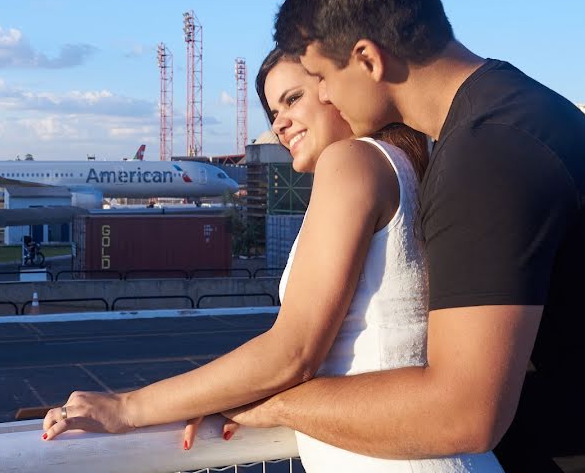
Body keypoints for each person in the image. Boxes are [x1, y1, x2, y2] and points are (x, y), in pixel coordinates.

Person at [41, 47, 503, 471]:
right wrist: (235, 394)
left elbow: (292, 352)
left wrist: (127, 407)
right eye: (274, 110)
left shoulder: (352, 161)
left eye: (294, 98)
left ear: (334, 87)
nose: (280, 123)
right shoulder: (408, 164)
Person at [221, 0, 584, 473]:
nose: (323, 97)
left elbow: (464, 413)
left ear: (366, 58)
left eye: (320, 77)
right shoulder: (519, 110)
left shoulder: (486, 154)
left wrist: (278, 403)